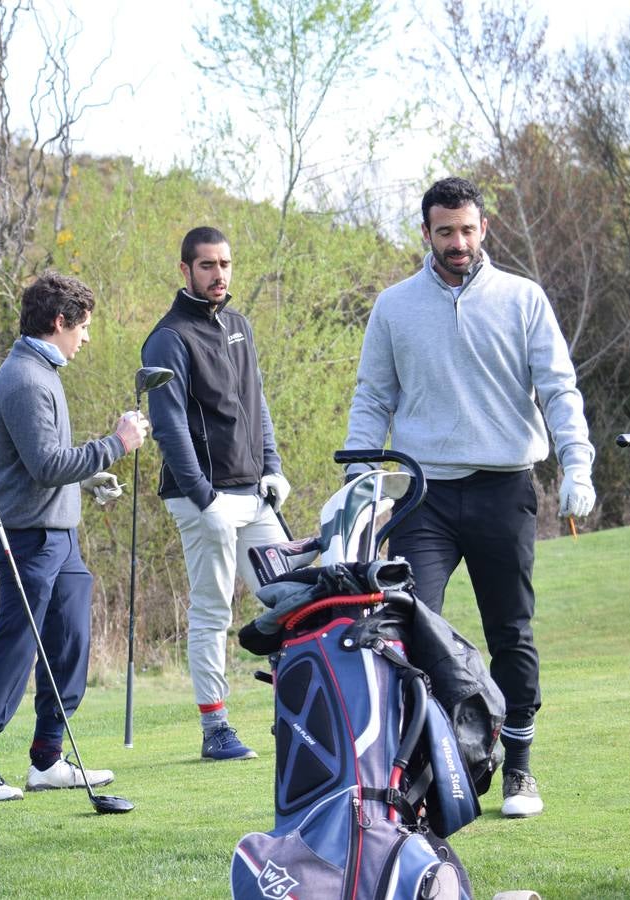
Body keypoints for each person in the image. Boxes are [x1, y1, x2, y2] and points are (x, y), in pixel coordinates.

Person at [344, 176, 596, 819]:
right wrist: (359, 480)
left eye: (468, 229)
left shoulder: (523, 298)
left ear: (485, 229)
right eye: (445, 230)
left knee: (509, 630)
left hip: (503, 488)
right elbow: (373, 397)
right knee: (409, 627)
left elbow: (559, 389)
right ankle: (419, 772)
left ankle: (518, 770)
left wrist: (577, 463)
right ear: (425, 233)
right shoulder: (395, 306)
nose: (458, 242)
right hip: (423, 495)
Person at [0, 272, 149, 801]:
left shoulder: (44, 373)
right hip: (27, 537)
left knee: (68, 645)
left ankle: (47, 759)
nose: (86, 338)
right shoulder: (24, 379)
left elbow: (42, 463)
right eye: (82, 327)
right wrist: (115, 444)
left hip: (61, 537)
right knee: (18, 645)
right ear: (59, 322)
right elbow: (43, 465)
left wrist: (88, 478)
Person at [141, 226, 291, 761]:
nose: (218, 274)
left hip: (253, 493)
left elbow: (257, 404)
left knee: (289, 598)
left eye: (225, 264)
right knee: (212, 610)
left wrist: (272, 467)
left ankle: (293, 710)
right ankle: (216, 729)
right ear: (185, 271)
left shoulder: (239, 326)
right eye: (207, 265)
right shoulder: (168, 338)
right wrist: (204, 499)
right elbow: (169, 427)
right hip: (201, 498)